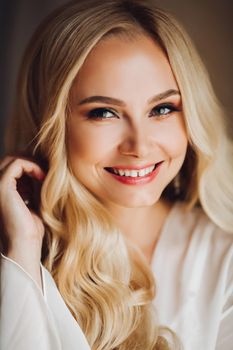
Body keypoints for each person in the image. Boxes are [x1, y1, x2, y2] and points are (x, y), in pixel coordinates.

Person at [0, 0, 232, 349]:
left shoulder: (224, 263)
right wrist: (22, 256)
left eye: (163, 108)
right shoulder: (18, 253)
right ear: (50, 122)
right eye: (104, 112)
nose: (139, 146)